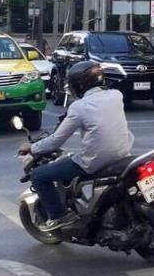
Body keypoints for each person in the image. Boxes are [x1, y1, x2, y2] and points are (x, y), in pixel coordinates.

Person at [19, 61, 135, 231]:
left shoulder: (79, 107)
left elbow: (56, 141)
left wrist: (32, 147)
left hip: (94, 162)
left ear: (79, 84)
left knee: (38, 175)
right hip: (124, 155)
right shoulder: (116, 95)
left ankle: (59, 216)